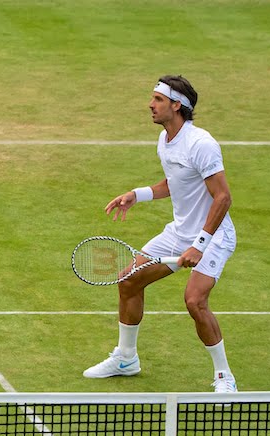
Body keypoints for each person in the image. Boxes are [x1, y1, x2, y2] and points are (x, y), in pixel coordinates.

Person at [83, 75, 238, 393]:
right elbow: (174, 183)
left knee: (195, 301)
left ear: (176, 105)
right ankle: (126, 359)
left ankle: (224, 376)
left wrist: (199, 245)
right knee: (129, 280)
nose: (150, 105)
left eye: (158, 99)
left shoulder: (201, 144)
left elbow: (222, 197)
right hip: (179, 233)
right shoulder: (166, 140)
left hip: (215, 235)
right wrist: (136, 195)